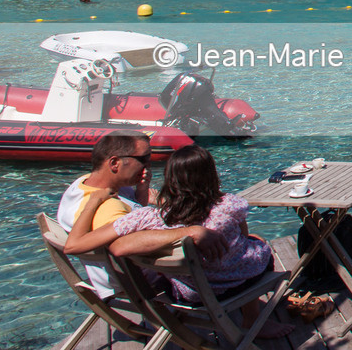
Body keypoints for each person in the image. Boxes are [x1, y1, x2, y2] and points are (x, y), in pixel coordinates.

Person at [64, 145, 289, 335]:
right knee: (256, 244)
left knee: (247, 245)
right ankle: (252, 321)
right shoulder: (231, 204)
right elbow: (242, 238)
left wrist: (94, 201)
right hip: (232, 287)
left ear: (171, 179)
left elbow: (85, 246)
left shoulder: (149, 218)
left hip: (189, 293)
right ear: (212, 175)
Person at [56, 131, 192, 297]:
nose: (148, 166)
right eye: (143, 160)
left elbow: (130, 218)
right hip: (152, 284)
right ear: (114, 163)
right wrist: (190, 231)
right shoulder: (108, 209)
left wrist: (141, 192)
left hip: (123, 278)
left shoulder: (83, 185)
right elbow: (131, 246)